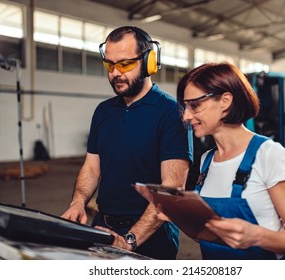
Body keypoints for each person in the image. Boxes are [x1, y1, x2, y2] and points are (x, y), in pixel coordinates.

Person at [62, 26, 192, 259]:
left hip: (152, 235)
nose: (115, 73)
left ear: (149, 62)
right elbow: (92, 168)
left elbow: (172, 188)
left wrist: (130, 239)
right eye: (110, 65)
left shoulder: (172, 112)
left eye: (125, 64)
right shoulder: (103, 111)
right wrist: (78, 203)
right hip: (103, 226)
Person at [176, 62, 285, 260]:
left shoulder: (269, 155)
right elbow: (209, 237)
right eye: (185, 107)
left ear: (225, 100)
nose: (187, 116)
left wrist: (256, 236)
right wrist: (177, 215)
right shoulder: (206, 161)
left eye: (194, 105)